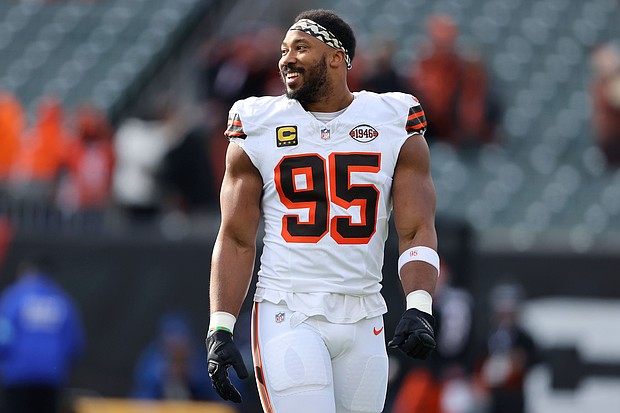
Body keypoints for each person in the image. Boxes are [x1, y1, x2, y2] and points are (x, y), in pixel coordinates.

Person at [206, 9, 439, 413]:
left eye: (300, 48)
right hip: (288, 309)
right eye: (283, 50)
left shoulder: (393, 119)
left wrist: (419, 305)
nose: (286, 59)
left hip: (365, 311)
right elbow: (237, 236)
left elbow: (417, 227)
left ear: (336, 57)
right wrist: (220, 326)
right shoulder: (258, 122)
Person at [0, 256, 85, 413]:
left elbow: (3, 337)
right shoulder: (63, 300)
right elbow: (74, 344)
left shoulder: (14, 297)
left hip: (17, 376)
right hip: (51, 378)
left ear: (28, 272)